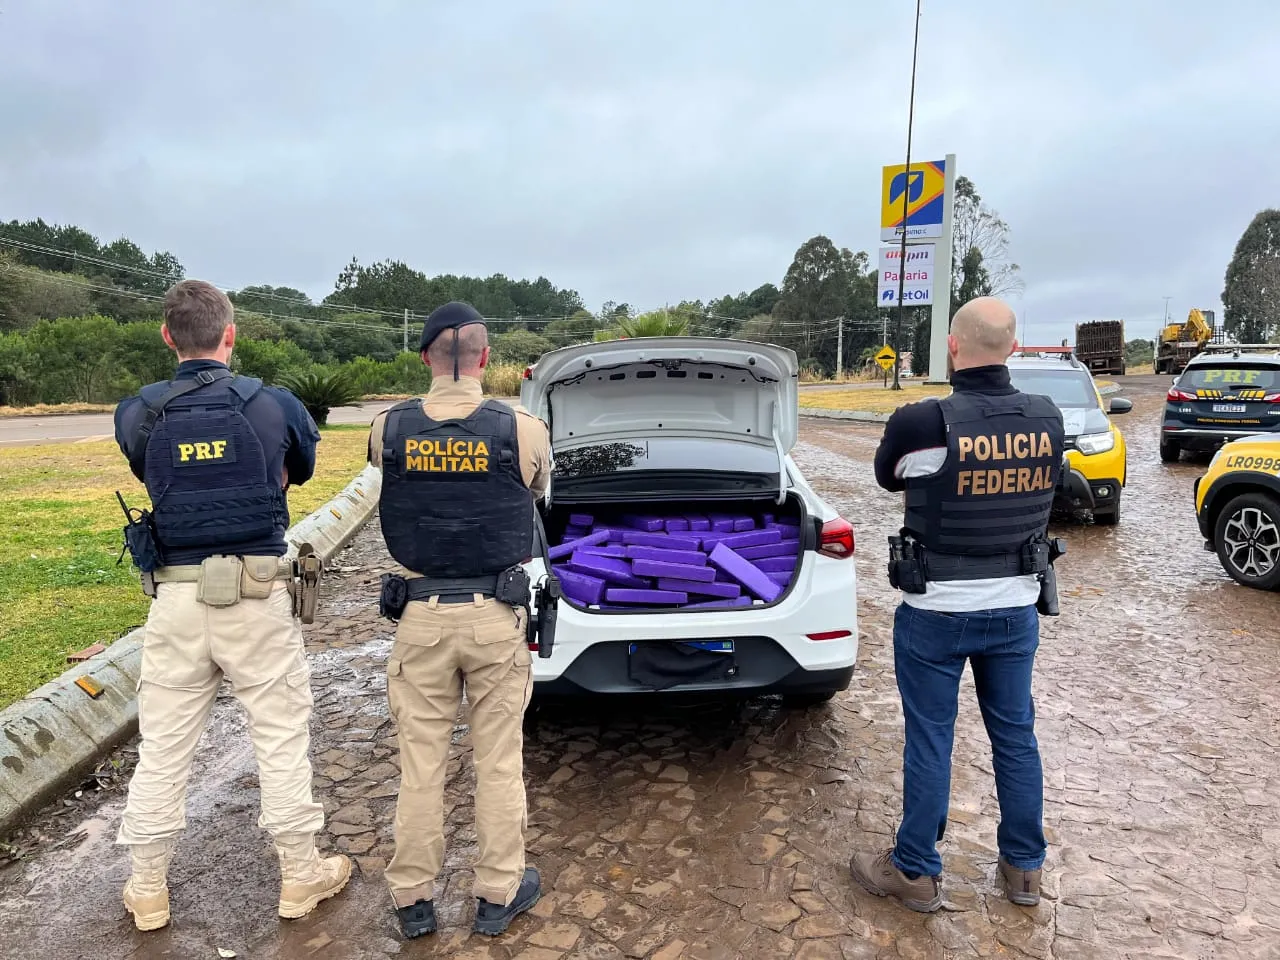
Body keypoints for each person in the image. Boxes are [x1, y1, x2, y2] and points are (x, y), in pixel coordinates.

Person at [112, 280, 349, 931]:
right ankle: (301, 876)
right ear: (231, 335)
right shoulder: (274, 405)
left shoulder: (138, 413)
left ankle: (147, 889)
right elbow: (296, 470)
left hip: (177, 598)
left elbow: (151, 474)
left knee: (163, 748)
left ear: (167, 337)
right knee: (278, 735)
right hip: (257, 593)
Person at [850, 296, 1066, 913]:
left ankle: (916, 870)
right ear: (1014, 348)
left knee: (930, 741)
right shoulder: (1047, 416)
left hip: (936, 613)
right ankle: (1024, 870)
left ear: (952, 346)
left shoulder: (923, 421)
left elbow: (889, 477)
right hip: (1016, 609)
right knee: (1016, 737)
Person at [367, 301, 551, 939]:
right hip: (495, 619)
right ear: (486, 357)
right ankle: (498, 893)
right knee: (498, 762)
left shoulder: (386, 427)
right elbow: (538, 493)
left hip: (419, 618)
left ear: (424, 358)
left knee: (420, 763)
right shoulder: (522, 427)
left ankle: (414, 898)